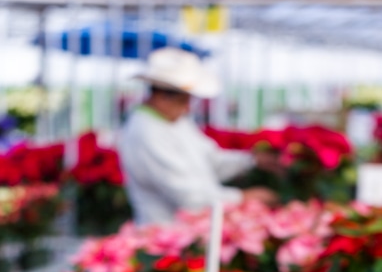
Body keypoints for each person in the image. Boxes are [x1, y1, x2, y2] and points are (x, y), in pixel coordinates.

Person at [118, 47, 277, 225]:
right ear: (161, 96)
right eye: (183, 101)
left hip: (195, 230)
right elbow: (189, 198)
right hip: (166, 235)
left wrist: (251, 160)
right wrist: (243, 197)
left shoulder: (177, 122)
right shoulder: (145, 131)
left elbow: (210, 160)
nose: (188, 108)